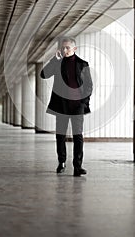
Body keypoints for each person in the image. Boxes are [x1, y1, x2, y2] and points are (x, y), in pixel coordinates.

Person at [40, 37, 93, 176]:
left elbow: (89, 85)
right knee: (60, 135)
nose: (65, 50)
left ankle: (77, 166)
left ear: (74, 49)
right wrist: (54, 60)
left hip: (77, 106)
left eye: (67, 48)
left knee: (78, 136)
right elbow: (43, 75)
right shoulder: (58, 63)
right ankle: (61, 162)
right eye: (63, 48)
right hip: (61, 105)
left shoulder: (83, 64)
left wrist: (83, 102)